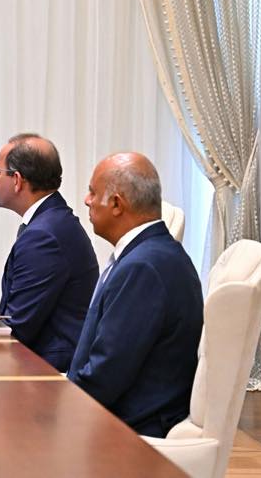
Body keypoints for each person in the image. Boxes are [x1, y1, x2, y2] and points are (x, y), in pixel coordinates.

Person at [68, 153, 203, 437]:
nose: (86, 200)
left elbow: (106, 374)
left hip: (129, 431)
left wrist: (58, 408)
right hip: (123, 416)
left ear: (117, 204)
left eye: (93, 192)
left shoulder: (143, 267)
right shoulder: (152, 254)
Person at [0, 133, 99, 371]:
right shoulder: (52, 221)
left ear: (17, 180)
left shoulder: (43, 236)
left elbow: (17, 329)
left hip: (46, 370)